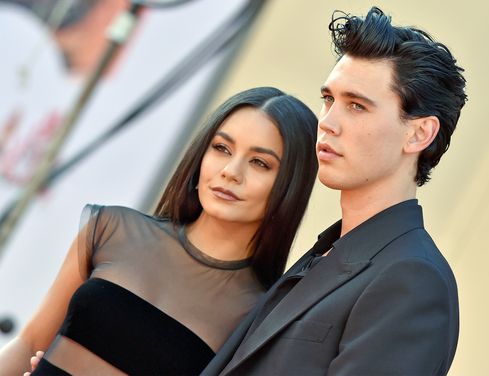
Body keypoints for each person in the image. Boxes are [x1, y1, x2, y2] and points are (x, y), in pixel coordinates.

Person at [201, 6, 467, 376]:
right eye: (329, 99)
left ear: (419, 133)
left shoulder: (412, 280)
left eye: (356, 106)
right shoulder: (328, 253)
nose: (327, 123)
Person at [0, 86, 319, 375]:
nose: (230, 172)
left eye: (260, 163)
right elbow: (29, 343)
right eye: (222, 148)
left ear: (290, 186)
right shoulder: (111, 230)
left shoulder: (259, 314)